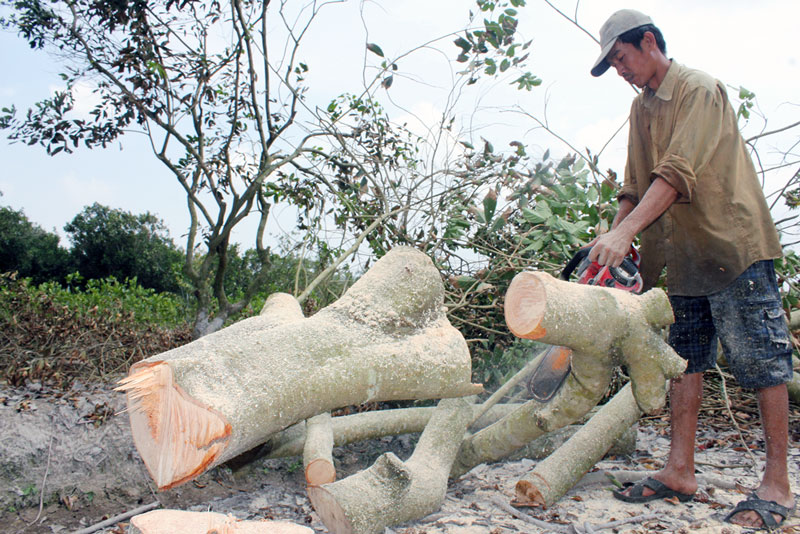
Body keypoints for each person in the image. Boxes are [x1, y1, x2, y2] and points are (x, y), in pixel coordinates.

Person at [587, 9, 795, 530]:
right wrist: (614, 242)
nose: (620, 70)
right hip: (680, 256)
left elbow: (677, 174)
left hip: (731, 245)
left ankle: (778, 484)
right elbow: (634, 185)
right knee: (687, 362)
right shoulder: (641, 110)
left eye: (621, 57)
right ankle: (680, 469)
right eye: (611, 63)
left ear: (649, 42)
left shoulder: (699, 90)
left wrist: (626, 231)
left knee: (761, 361)